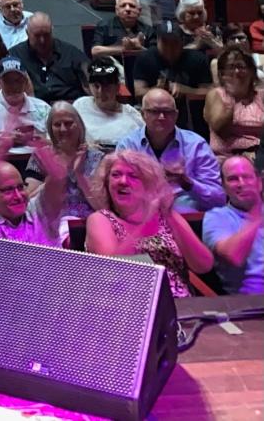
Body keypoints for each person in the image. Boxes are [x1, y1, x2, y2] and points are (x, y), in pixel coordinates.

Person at [86, 150, 214, 297]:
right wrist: (145, 224)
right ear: (106, 183)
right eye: (115, 175)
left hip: (181, 306)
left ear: (148, 185)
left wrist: (169, 215)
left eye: (133, 176)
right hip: (130, 307)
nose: (123, 181)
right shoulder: (100, 220)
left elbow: (204, 265)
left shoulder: (168, 216)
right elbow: (113, 271)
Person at [116, 88, 225, 212]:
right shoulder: (128, 145)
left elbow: (219, 200)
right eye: (154, 111)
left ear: (176, 115)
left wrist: (188, 184)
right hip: (141, 220)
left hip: (187, 222)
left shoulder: (196, 145)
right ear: (143, 114)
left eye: (167, 112)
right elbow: (119, 194)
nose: (161, 117)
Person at [0, 134, 68, 250]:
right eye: (8, 190)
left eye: (20, 187)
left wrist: (38, 145)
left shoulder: (40, 210)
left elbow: (58, 179)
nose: (18, 196)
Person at [202, 156, 264, 294]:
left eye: (247, 177)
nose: (241, 183)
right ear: (223, 187)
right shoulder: (217, 217)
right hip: (250, 302)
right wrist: (255, 217)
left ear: (259, 182)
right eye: (233, 179)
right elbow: (233, 255)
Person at [0, 58, 51, 155]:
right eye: (8, 81)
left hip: (40, 163)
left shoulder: (43, 107)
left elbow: (58, 144)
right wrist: (7, 142)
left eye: (18, 81)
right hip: (2, 165)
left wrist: (38, 140)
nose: (14, 86)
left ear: (26, 82)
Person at [12, 12, 88, 104]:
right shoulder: (15, 55)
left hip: (69, 103)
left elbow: (89, 77)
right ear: (27, 33)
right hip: (33, 106)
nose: (42, 40)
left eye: (46, 35)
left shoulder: (70, 52)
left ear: (52, 31)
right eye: (37, 36)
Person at [204, 47, 264, 160]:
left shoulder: (261, 96)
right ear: (222, 74)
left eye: (241, 67)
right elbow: (220, 129)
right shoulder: (216, 95)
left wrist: (259, 155)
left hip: (259, 156)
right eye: (231, 67)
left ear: (251, 72)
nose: (236, 72)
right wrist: (233, 98)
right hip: (227, 157)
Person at [133, 19, 213, 103]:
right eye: (165, 42)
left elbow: (209, 92)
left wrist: (187, 90)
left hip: (190, 109)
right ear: (157, 42)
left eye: (174, 42)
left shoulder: (197, 59)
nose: (169, 48)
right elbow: (138, 93)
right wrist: (158, 90)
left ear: (182, 42)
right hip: (156, 107)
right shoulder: (145, 58)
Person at [75, 58, 144, 151]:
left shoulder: (132, 116)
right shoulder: (80, 106)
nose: (101, 91)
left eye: (106, 86)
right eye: (96, 86)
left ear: (117, 87)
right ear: (89, 86)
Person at [90, 0, 155, 59]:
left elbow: (155, 56)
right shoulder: (104, 25)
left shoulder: (148, 30)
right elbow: (95, 51)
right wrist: (123, 49)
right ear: (117, 10)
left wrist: (139, 47)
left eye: (132, 6)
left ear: (139, 11)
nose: (127, 9)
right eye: (123, 6)